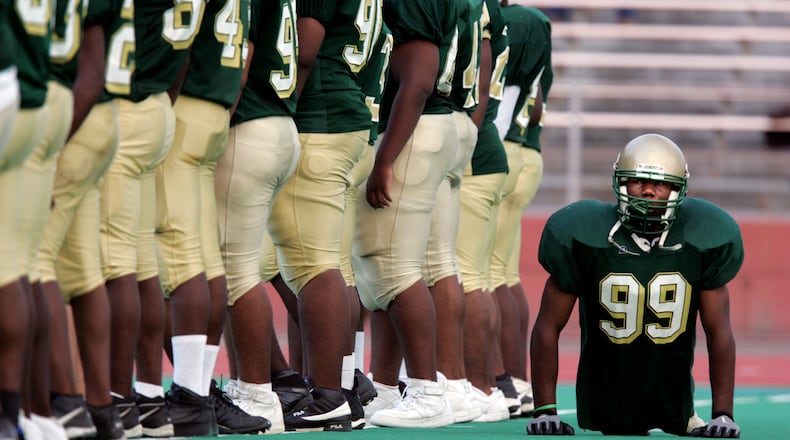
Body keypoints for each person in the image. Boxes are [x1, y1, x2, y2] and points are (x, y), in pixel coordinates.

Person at [527, 133, 743, 438]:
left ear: (678, 189)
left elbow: (719, 331)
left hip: (674, 400)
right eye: (637, 181)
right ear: (620, 182)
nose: (649, 191)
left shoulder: (704, 237)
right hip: (603, 399)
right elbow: (547, 325)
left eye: (661, 183)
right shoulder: (582, 234)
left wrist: (723, 414)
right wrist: (545, 409)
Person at [264, 0, 383, 431]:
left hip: (320, 117)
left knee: (310, 267)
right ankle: (341, 384)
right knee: (324, 265)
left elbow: (306, 50)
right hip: (345, 116)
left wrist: (282, 110)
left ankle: (329, 392)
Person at [352, 0, 459, 428]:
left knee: (394, 268)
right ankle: (383, 387)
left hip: (415, 127)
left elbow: (417, 80)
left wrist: (385, 159)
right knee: (380, 271)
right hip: (425, 125)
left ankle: (426, 389)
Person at [39, 0, 131, 439]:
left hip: (71, 109)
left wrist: (50, 148)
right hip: (105, 111)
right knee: (84, 269)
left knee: (34, 264)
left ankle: (63, 402)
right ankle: (100, 408)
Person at [214, 0, 302, 434]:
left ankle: (257, 391)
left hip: (250, 122)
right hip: (278, 120)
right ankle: (264, 381)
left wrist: (221, 116)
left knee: (235, 270)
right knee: (247, 265)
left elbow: (242, 54)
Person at [492, 1, 553, 416]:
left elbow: (500, 96)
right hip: (528, 151)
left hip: (501, 148)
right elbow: (534, 109)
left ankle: (498, 379)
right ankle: (517, 381)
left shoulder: (507, 22)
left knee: (480, 277)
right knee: (504, 274)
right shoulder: (538, 22)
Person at [456, 0, 513, 423]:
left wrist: (464, 141)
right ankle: (495, 381)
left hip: (475, 152)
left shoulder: (480, 11)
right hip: (490, 147)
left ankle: (482, 385)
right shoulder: (503, 15)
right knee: (483, 276)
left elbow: (478, 93)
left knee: (467, 277)